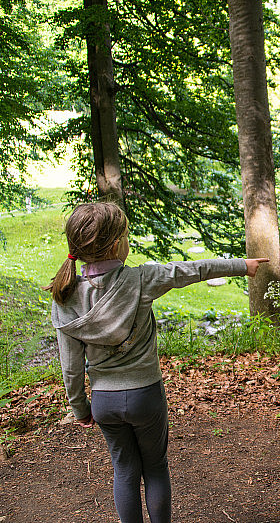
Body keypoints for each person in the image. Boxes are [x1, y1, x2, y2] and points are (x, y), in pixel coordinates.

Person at [44, 201, 267, 523]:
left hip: (104, 401)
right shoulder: (140, 279)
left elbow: (71, 367)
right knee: (155, 468)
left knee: (124, 470)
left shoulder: (64, 296)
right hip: (145, 395)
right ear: (117, 244)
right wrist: (241, 265)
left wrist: (80, 408)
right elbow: (190, 270)